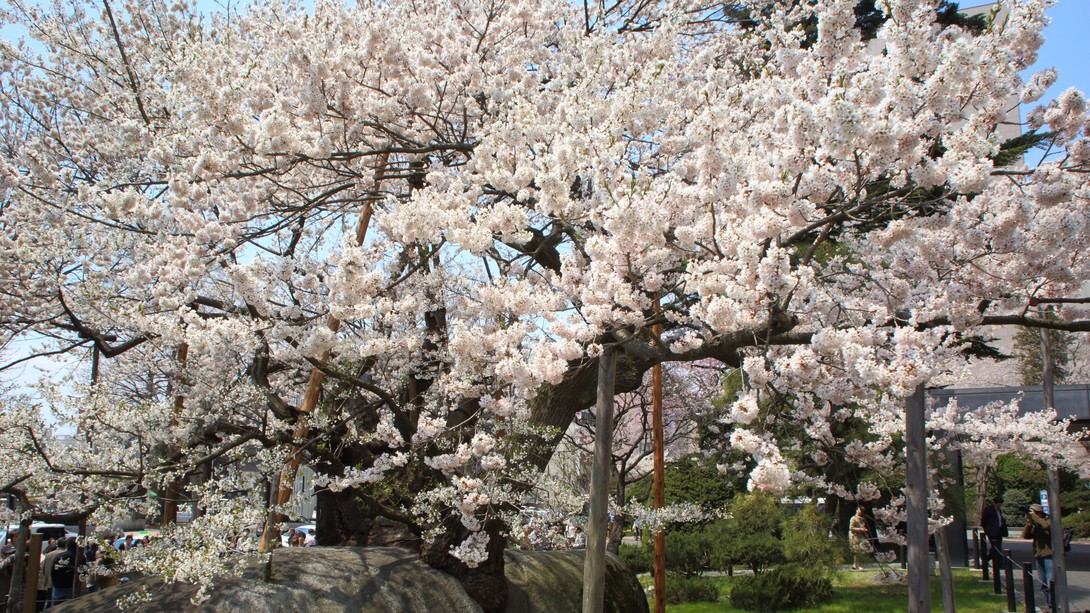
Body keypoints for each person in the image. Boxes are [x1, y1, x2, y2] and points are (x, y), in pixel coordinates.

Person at [1022, 503, 1053, 613]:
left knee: (1050, 583)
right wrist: (1029, 524)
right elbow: (1025, 536)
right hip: (1039, 556)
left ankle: (1052, 607)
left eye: (1033, 512)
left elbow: (1046, 526)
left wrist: (1034, 517)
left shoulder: (1048, 521)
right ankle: (1050, 606)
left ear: (1039, 513)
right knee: (1043, 585)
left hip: (1050, 557)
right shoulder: (1036, 523)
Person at [980, 496, 1008, 563]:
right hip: (992, 532)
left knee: (997, 547)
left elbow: (999, 519)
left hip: (999, 531)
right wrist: (987, 530)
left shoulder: (999, 510)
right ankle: (990, 559)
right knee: (996, 547)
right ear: (995, 503)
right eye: (999, 504)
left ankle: (992, 560)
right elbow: (984, 521)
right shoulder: (988, 510)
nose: (1000, 506)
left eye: (1001, 504)